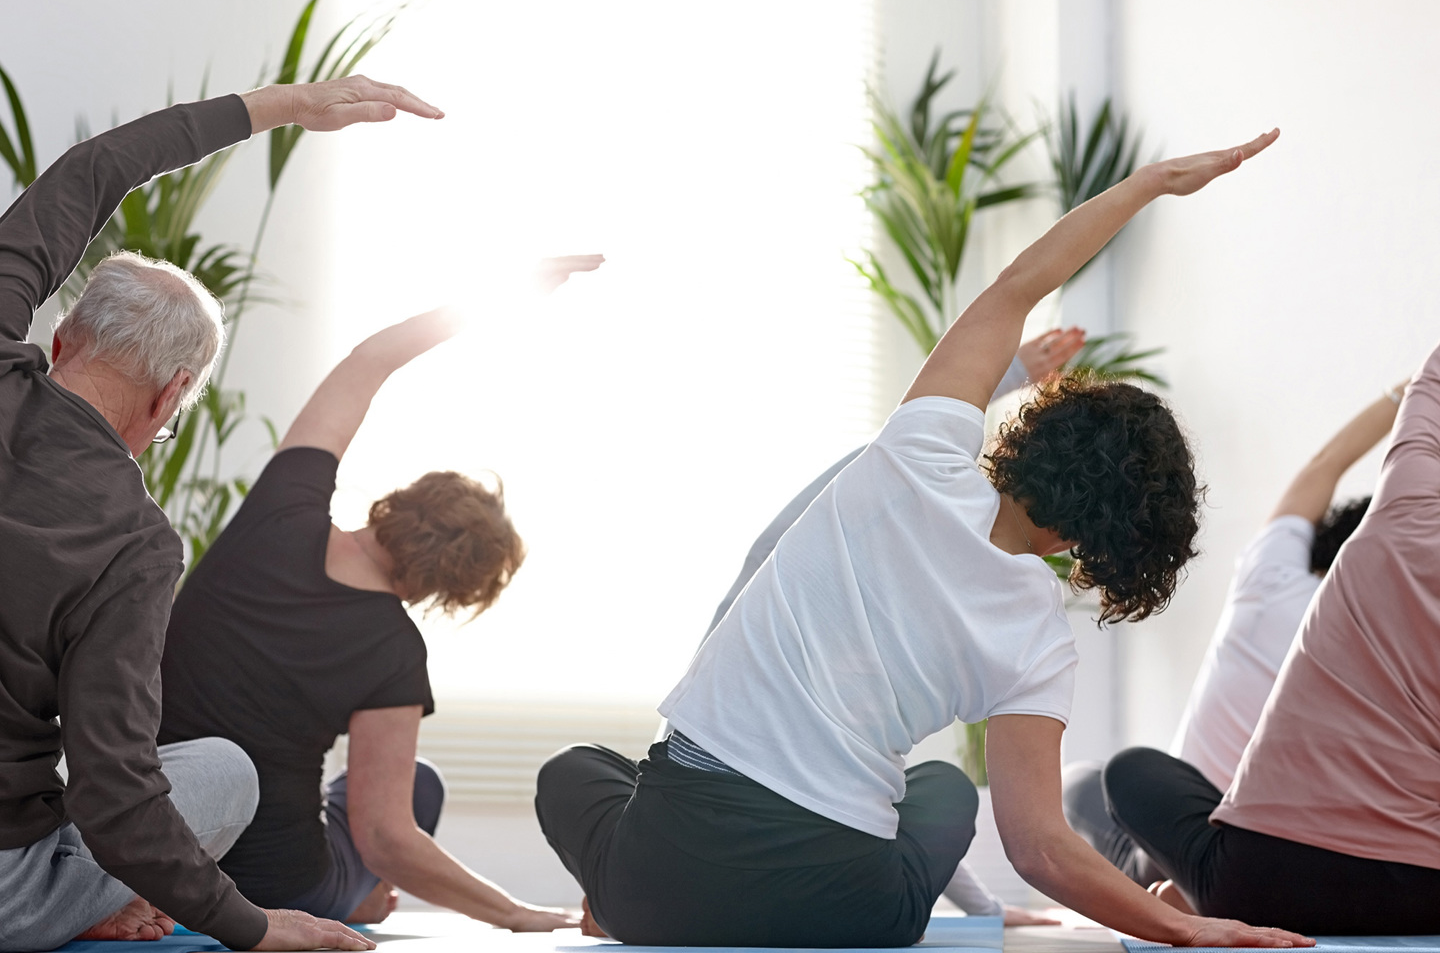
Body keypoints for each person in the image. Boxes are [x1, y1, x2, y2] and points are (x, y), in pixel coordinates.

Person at [535, 129, 1313, 949]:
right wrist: (1185, 930)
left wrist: (1151, 183)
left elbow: (1019, 285)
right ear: (1113, 537)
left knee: (574, 771)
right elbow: (1040, 848)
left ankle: (616, 897)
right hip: (850, 914)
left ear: (1039, 433)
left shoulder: (917, 455)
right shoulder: (1040, 643)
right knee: (941, 785)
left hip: (657, 884)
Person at [0, 74, 439, 953]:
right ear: (171, 398)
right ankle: (79, 904)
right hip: (7, 893)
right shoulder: (135, 544)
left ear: (63, 341)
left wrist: (281, 106)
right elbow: (116, 794)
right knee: (221, 771)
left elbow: (89, 173)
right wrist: (253, 926)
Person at [159, 268, 597, 932]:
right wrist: (516, 914)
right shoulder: (394, 652)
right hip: (276, 885)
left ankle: (353, 896)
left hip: (162, 841)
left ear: (406, 500)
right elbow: (386, 837)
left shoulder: (282, 511)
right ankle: (356, 900)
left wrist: (510, 288)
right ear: (452, 588)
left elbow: (371, 360)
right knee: (417, 784)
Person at [690, 328, 1086, 926]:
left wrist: (985, 910)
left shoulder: (806, 682)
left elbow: (885, 809)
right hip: (787, 874)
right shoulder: (766, 651)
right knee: (938, 790)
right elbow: (888, 454)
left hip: (707, 863)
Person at [1103, 348, 1440, 933]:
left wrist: (1408, 388)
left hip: (1260, 869)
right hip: (1424, 886)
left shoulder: (1280, 579)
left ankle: (1181, 888)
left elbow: (1323, 465)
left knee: (1103, 778)